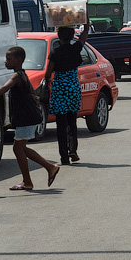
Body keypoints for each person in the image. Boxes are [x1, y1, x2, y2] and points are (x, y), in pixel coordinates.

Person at [0, 46, 60, 191]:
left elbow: (3, 89)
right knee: (20, 148)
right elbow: (30, 95)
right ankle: (41, 173)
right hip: (27, 118)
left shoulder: (16, 76)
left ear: (19, 60)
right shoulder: (22, 74)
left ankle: (42, 172)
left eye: (9, 59)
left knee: (18, 148)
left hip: (27, 118)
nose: (6, 62)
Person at [45, 22, 90, 166]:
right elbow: (83, 36)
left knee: (61, 124)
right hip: (73, 88)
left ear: (58, 36)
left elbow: (47, 73)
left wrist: (48, 81)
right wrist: (86, 21)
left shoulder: (55, 53)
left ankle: (64, 157)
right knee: (72, 121)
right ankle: (73, 150)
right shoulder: (75, 49)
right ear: (72, 36)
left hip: (60, 89)